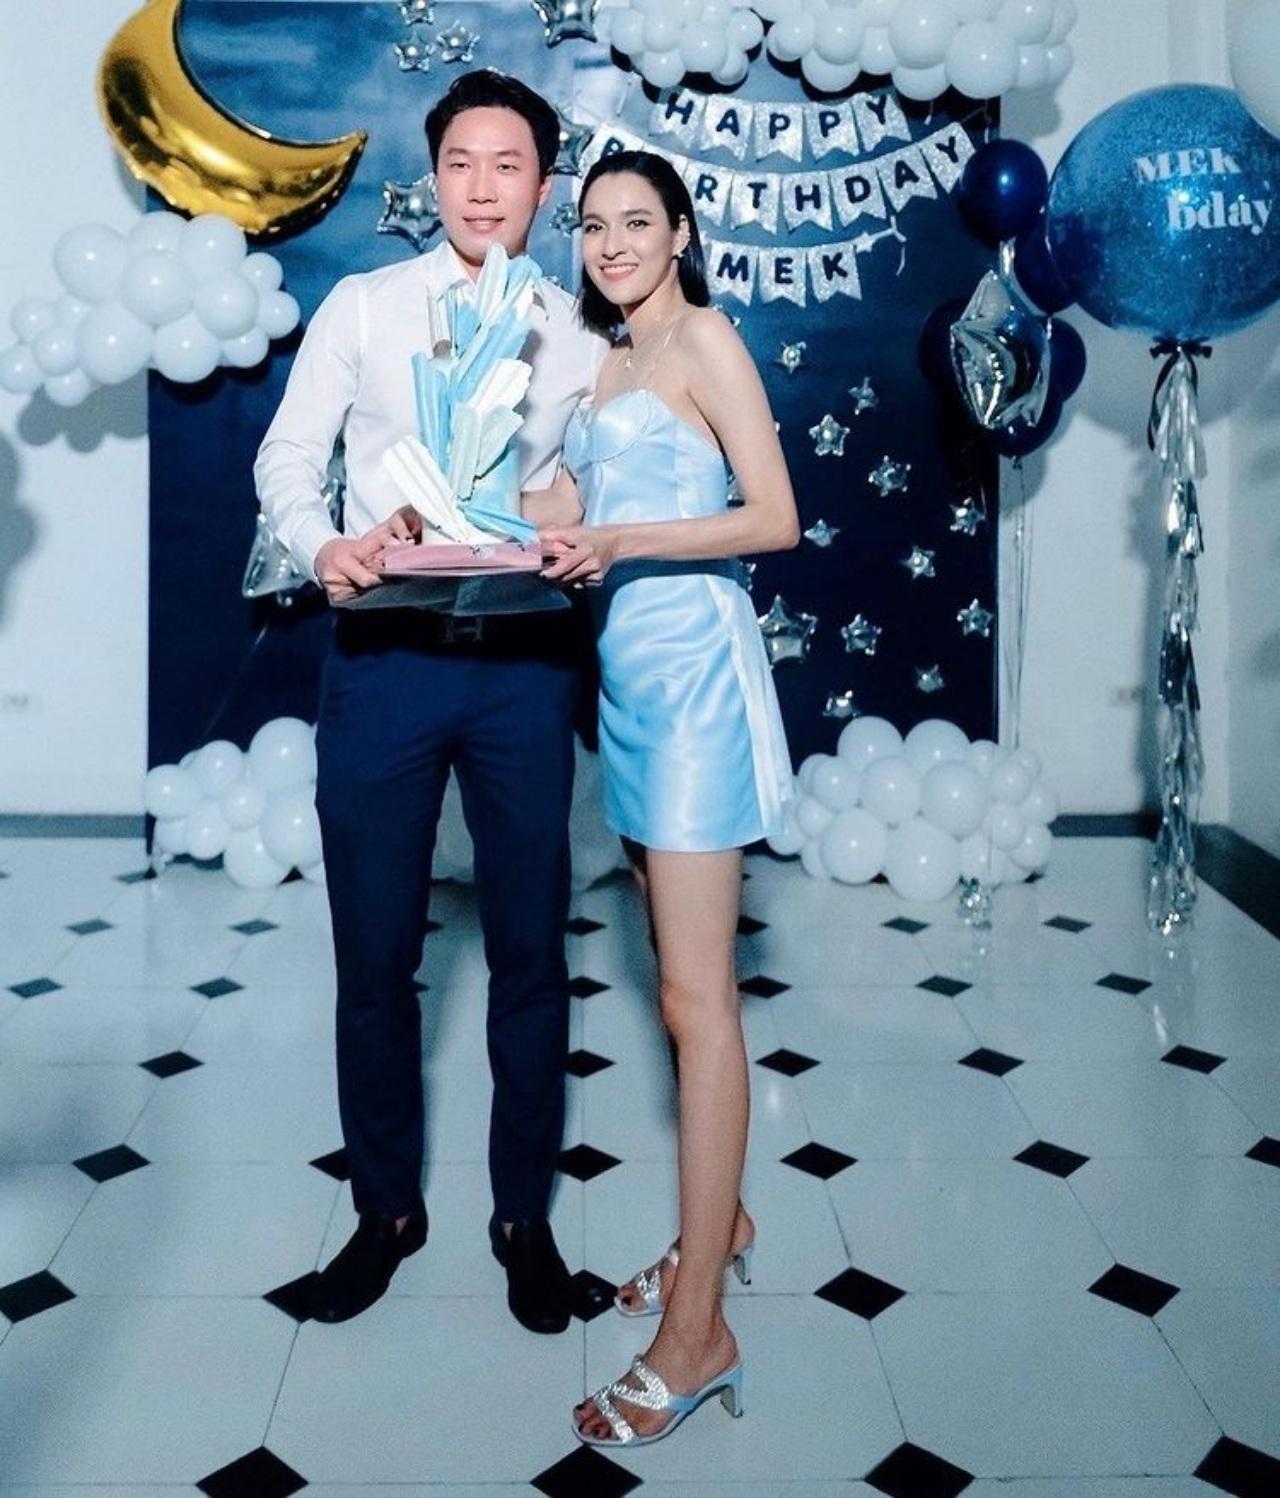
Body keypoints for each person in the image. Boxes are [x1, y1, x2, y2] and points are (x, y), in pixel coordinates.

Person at [254, 70, 608, 1332]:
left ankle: (522, 1218)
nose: (480, 187)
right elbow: (288, 457)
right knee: (373, 957)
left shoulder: (575, 334)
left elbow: (597, 488)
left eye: (507, 165)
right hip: (384, 661)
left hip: (522, 668)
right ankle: (384, 1210)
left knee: (528, 954)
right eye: (460, 162)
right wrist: (323, 545)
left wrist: (582, 528)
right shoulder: (364, 306)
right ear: (434, 174)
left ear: (542, 187)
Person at [531, 149, 799, 1446]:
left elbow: (775, 517)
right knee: (669, 987)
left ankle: (698, 1331)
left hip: (695, 691)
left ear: (682, 231)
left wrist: (620, 538)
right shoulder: (609, 362)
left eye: (637, 221)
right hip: (628, 690)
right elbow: (572, 509)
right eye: (594, 224)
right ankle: (719, 1221)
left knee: (700, 1004)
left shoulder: (704, 341)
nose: (612, 242)